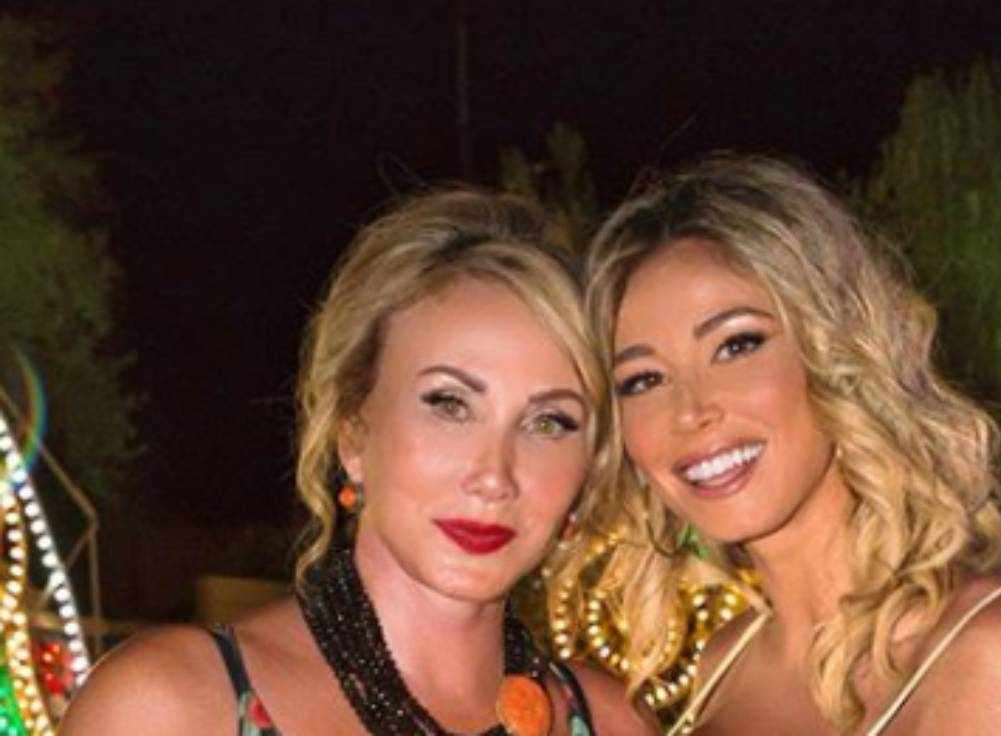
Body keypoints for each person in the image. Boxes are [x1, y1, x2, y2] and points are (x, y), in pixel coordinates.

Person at [61, 189, 656, 735]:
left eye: (549, 422)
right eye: (449, 405)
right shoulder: (168, 707)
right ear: (352, 430)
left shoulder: (616, 723)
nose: (494, 476)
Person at [564, 155, 1001, 734]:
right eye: (642, 380)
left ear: (838, 352)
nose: (690, 412)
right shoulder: (725, 664)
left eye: (737, 346)